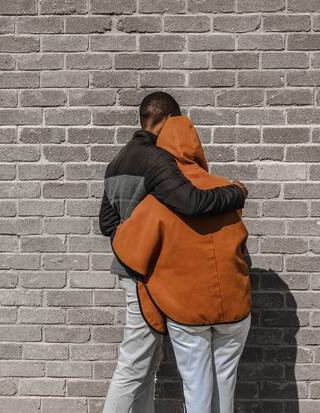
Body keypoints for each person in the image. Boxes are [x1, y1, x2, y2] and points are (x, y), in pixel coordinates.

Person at [99, 92, 249, 413]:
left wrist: (128, 245)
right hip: (149, 276)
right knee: (134, 363)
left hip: (132, 269)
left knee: (147, 363)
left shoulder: (116, 162)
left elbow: (106, 223)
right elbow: (191, 203)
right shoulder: (159, 159)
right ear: (170, 122)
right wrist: (235, 193)